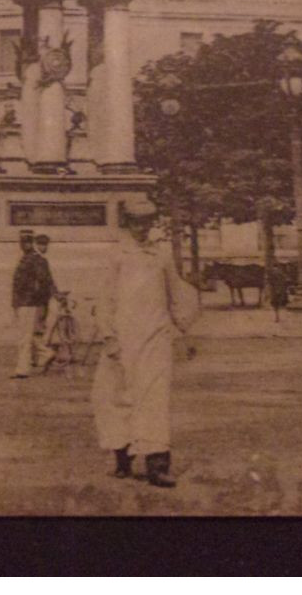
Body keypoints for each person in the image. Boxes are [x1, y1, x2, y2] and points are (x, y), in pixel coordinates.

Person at [92, 197, 199, 488]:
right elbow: (104, 299)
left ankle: (158, 465)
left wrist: (184, 332)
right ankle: (122, 459)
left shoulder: (161, 256)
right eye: (137, 222)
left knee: (155, 397)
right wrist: (108, 336)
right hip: (123, 339)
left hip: (156, 337)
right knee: (119, 396)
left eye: (148, 222)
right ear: (127, 223)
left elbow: (176, 294)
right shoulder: (116, 256)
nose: (143, 228)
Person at [9, 229, 56, 378]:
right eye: (23, 242)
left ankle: (22, 369)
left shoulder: (36, 259)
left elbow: (44, 281)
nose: (25, 244)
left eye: (28, 241)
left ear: (32, 243)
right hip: (22, 302)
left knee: (24, 337)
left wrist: (38, 299)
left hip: (28, 303)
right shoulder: (26, 258)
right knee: (26, 335)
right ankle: (46, 353)